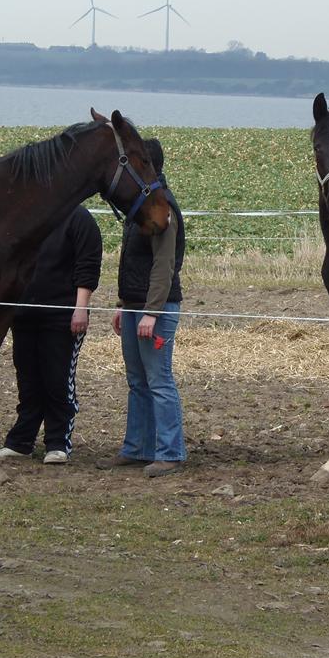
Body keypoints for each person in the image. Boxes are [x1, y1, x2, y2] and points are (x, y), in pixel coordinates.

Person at [96, 138, 187, 477]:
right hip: (135, 305)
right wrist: (124, 304)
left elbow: (164, 266)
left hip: (154, 309)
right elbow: (133, 262)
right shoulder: (141, 208)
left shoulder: (163, 208)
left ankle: (170, 453)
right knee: (137, 381)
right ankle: (137, 448)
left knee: (159, 381)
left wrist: (152, 311)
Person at [0, 205, 102, 464]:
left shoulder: (79, 219)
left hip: (61, 315)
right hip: (24, 313)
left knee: (58, 380)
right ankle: (21, 442)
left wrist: (80, 309)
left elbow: (87, 266)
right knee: (28, 380)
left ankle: (58, 442)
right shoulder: (29, 216)